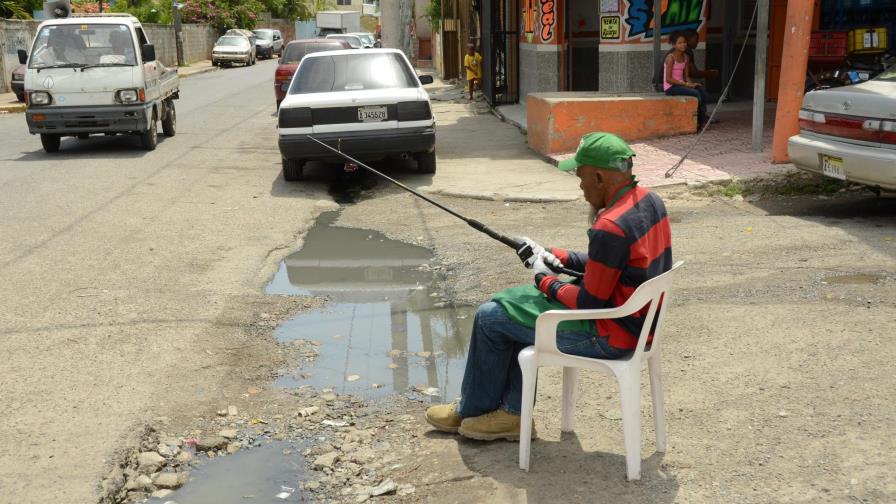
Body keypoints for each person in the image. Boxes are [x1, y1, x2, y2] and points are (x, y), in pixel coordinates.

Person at [425, 132, 673, 441]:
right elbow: (612, 262)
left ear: (599, 177)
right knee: (513, 311)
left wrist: (544, 279)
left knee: (491, 318)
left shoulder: (610, 226)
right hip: (637, 325)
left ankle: (476, 410)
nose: (580, 187)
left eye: (581, 177)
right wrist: (554, 255)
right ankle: (509, 413)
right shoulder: (649, 201)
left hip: (611, 335)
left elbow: (589, 303)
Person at [664, 32, 709, 128]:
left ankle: (703, 118)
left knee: (703, 92)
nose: (683, 45)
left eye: (684, 42)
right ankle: (700, 122)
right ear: (674, 45)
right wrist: (686, 85)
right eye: (679, 43)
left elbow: (687, 76)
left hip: (682, 84)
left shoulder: (686, 57)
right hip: (671, 87)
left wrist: (692, 84)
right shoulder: (670, 58)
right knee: (697, 94)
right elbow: (668, 79)